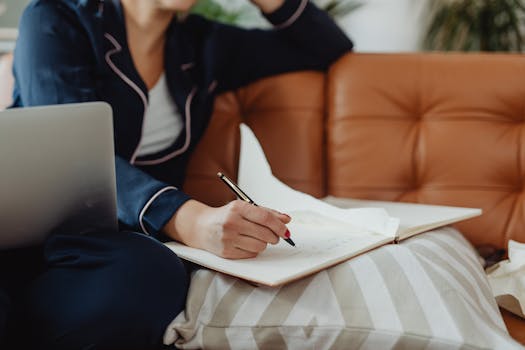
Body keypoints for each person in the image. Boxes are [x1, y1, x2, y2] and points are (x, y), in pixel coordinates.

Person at [3, 0, 354, 348]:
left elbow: (325, 46)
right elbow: (71, 152)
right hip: (31, 233)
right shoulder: (56, 18)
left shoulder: (204, 45)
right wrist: (188, 219)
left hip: (114, 248)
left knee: (150, 274)